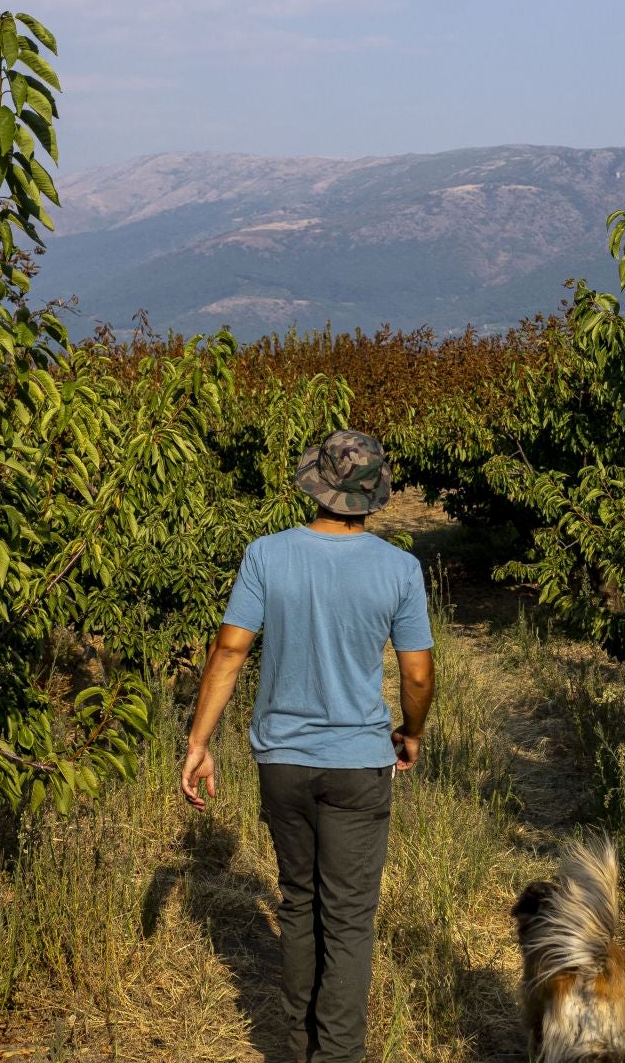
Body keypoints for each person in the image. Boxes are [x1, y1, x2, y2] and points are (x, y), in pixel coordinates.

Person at [180, 429, 436, 1063]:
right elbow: (417, 675)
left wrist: (199, 742)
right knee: (347, 920)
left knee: (300, 904)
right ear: (374, 494)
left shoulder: (266, 555)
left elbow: (230, 650)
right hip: (358, 766)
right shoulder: (399, 568)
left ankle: (296, 1049)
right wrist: (410, 732)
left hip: (283, 763)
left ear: (315, 486)